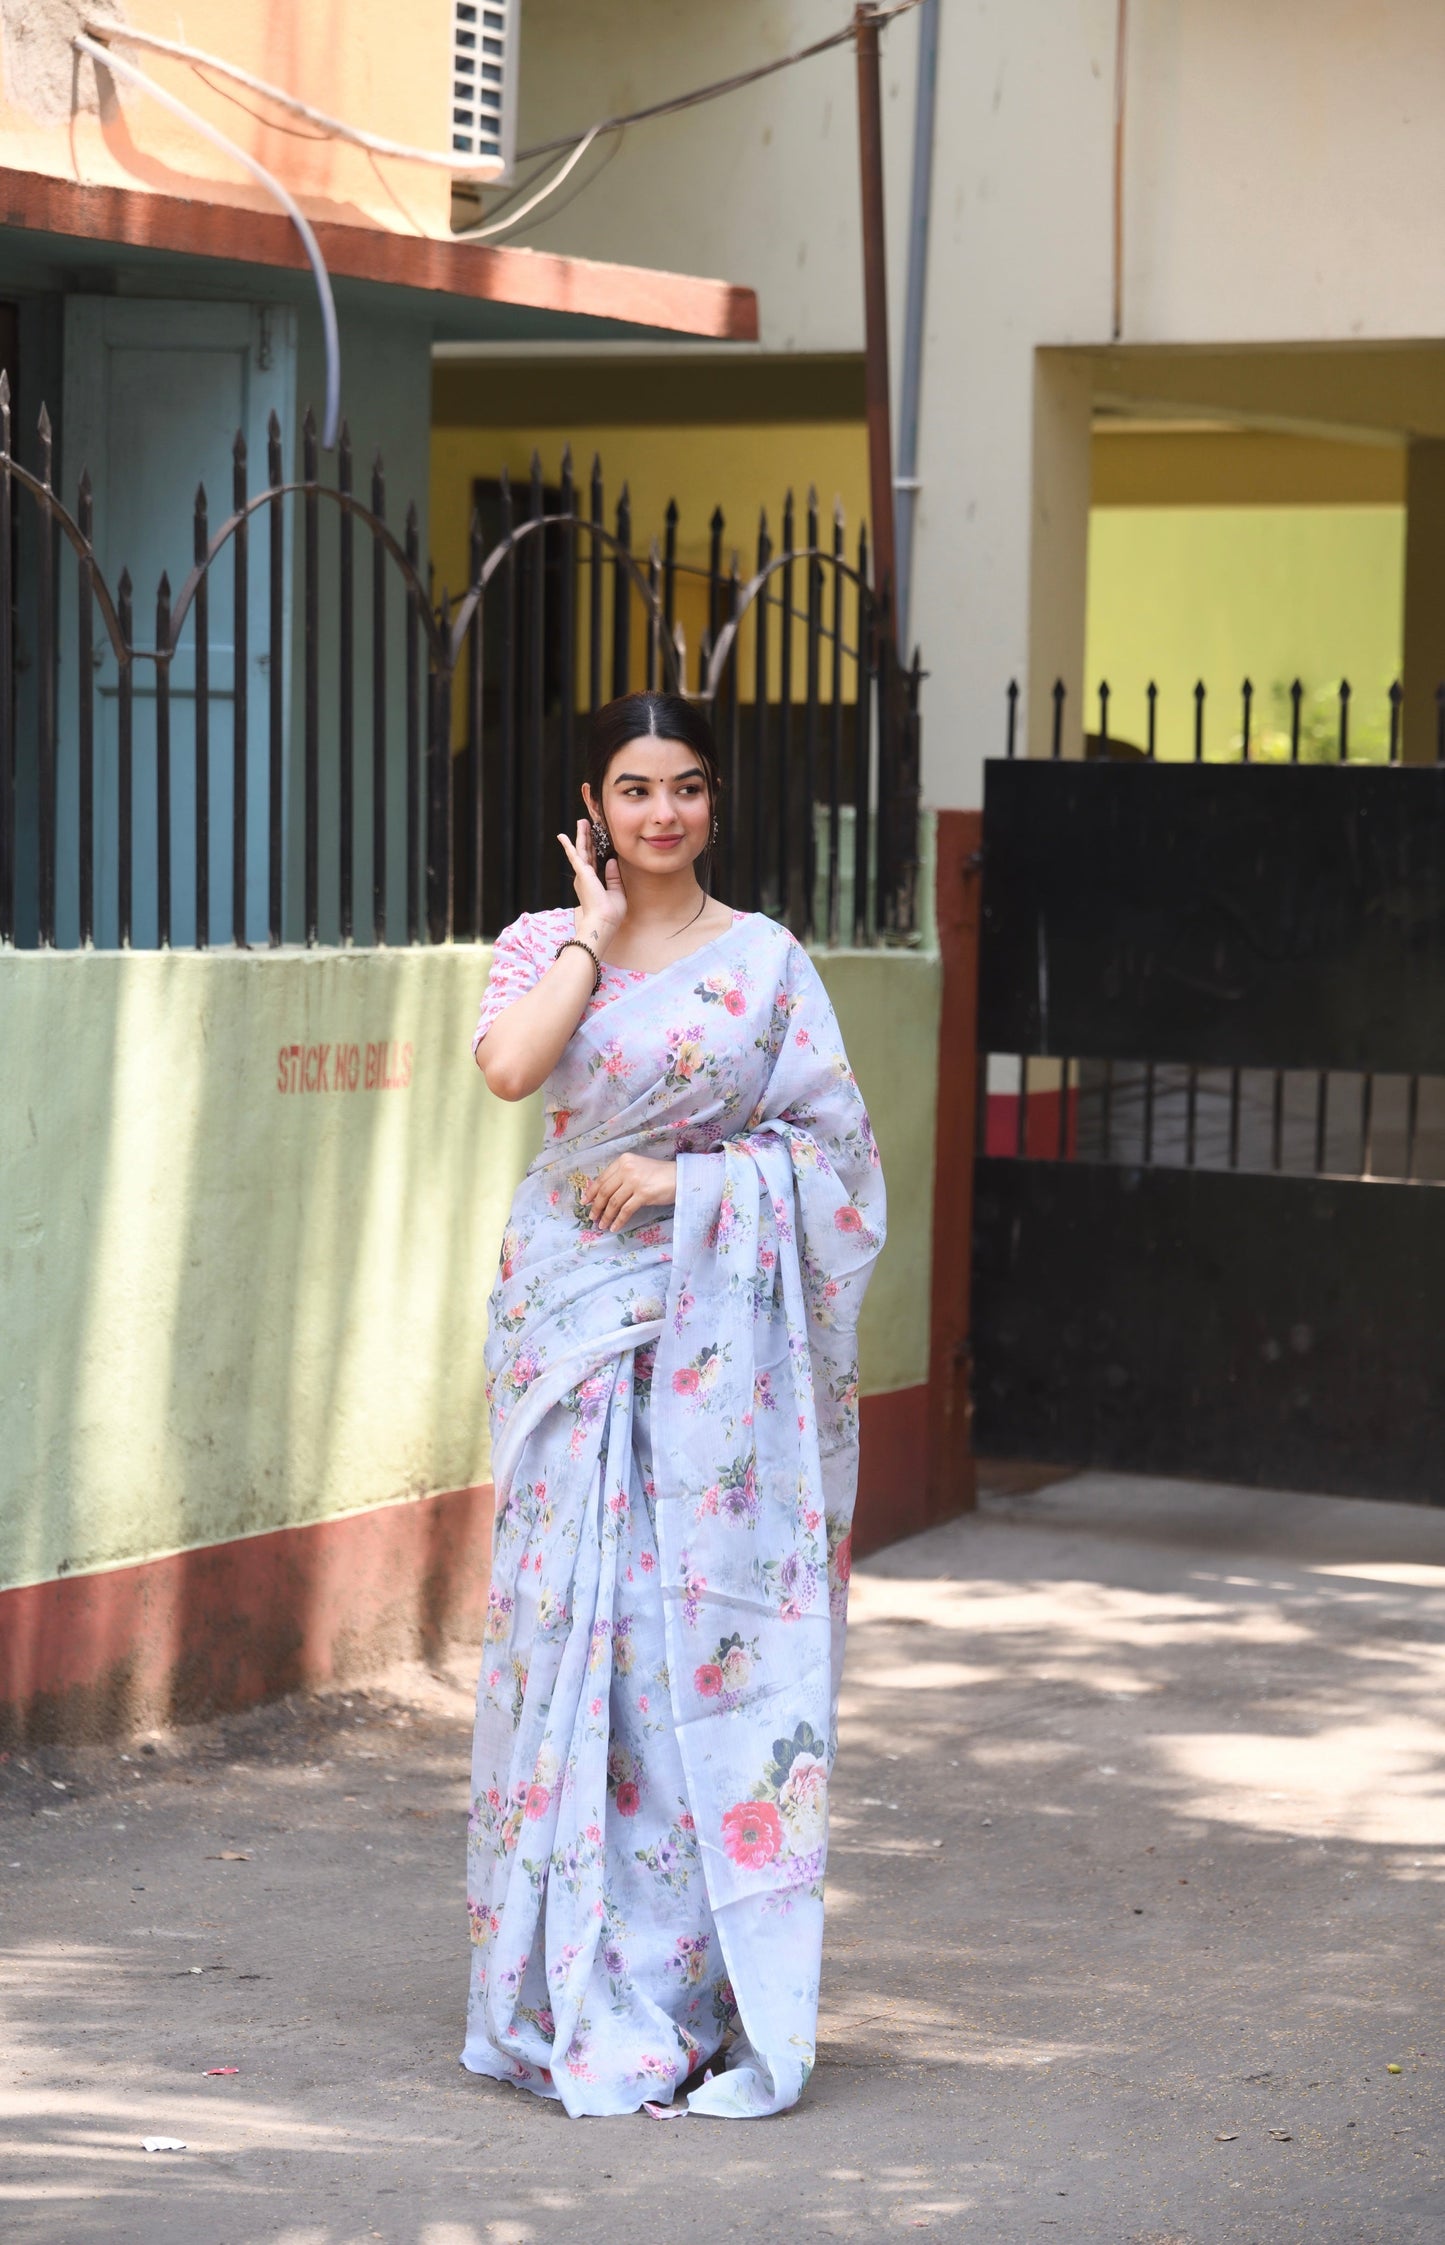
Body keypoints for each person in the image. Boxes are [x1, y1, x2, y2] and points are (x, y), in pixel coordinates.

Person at [462, 690, 885, 2119]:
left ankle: (690, 1986)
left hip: (720, 1357)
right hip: (575, 1334)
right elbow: (515, 1071)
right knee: (571, 1649)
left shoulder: (765, 964)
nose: (663, 814)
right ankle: (566, 1974)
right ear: (596, 801)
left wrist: (692, 1183)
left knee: (680, 1657)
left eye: (687, 787)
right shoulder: (539, 946)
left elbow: (837, 1169)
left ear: (714, 801)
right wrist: (585, 930)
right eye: (635, 789)